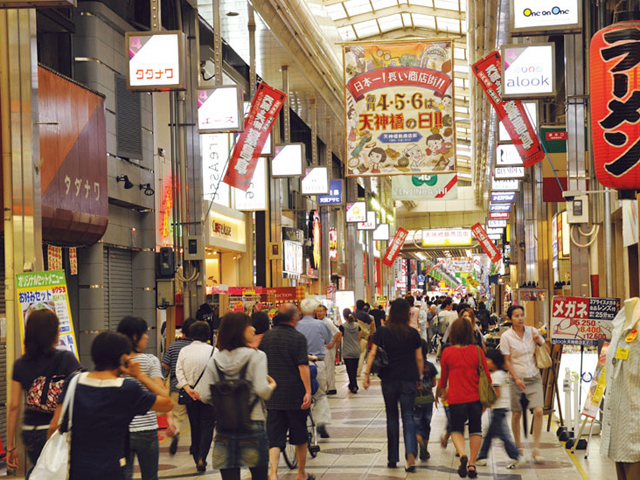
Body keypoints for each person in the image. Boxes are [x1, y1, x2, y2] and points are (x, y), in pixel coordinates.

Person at [49, 331, 173, 480]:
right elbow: (167, 403)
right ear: (123, 358)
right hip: (112, 470)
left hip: (78, 470)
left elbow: (54, 425)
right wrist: (140, 376)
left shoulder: (74, 382)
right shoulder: (127, 389)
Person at [197, 313, 276, 480]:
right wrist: (272, 386)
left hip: (225, 426)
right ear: (240, 330)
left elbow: (204, 396)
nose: (254, 328)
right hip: (253, 423)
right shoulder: (257, 356)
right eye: (249, 325)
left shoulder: (215, 360)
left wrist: (226, 402)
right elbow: (263, 390)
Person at [6, 310, 82, 477]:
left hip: (30, 432)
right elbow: (78, 393)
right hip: (56, 431)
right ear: (53, 332)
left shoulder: (20, 364)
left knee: (40, 469)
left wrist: (10, 446)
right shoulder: (66, 359)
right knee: (56, 472)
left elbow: (14, 407)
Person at [364, 298, 422, 472]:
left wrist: (366, 374)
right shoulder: (413, 333)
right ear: (406, 314)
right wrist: (419, 377)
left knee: (391, 417)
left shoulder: (382, 332)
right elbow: (419, 358)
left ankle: (392, 458)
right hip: (409, 378)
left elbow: (373, 353)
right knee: (408, 416)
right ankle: (410, 454)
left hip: (388, 379)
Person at [259, 306, 313, 480]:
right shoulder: (298, 338)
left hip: (272, 394)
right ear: (293, 319)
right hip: (294, 395)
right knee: (299, 435)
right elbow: (303, 366)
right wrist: (308, 391)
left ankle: (273, 474)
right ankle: (301, 473)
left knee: (274, 437)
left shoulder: (266, 337)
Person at [436, 318, 492, 479]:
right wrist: (486, 400)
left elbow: (443, 380)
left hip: (455, 399)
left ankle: (462, 454)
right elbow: (487, 377)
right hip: (475, 398)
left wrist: (439, 394)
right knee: (475, 430)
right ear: (469, 333)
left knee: (456, 430)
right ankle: (472, 464)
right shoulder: (477, 351)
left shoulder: (448, 352)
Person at [117, 316, 172, 480]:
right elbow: (160, 392)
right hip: (146, 428)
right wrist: (170, 418)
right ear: (135, 337)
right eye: (144, 333)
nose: (147, 336)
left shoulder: (116, 363)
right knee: (150, 476)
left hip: (121, 429)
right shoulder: (150, 361)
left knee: (123, 475)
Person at [500, 305, 548, 463]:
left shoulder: (532, 331)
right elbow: (507, 362)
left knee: (539, 411)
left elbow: (546, 349)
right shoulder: (506, 337)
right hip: (517, 378)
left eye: (522, 315)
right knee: (517, 413)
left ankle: (536, 448)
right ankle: (519, 446)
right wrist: (517, 378)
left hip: (534, 376)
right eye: (516, 316)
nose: (520, 318)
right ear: (510, 319)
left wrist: (539, 341)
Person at [176, 321, 216, 472]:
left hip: (190, 395)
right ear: (207, 334)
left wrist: (188, 388)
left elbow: (178, 371)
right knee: (207, 426)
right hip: (208, 396)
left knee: (195, 425)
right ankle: (202, 457)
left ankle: (196, 455)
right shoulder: (213, 351)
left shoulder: (184, 351)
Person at [475, 348, 525, 469]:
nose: (486, 362)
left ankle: (516, 456)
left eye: (488, 360)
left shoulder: (496, 376)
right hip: (501, 408)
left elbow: (496, 394)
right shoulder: (502, 374)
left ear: (495, 362)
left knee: (501, 435)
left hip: (499, 408)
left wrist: (486, 404)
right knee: (491, 433)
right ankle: (482, 457)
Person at [296, 298, 333, 438]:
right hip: (318, 363)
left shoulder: (296, 326)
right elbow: (328, 340)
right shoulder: (320, 325)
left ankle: (304, 425)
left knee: (302, 396)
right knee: (320, 395)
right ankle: (321, 422)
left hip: (300, 365)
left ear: (300, 311)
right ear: (314, 311)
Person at [161, 316, 197, 455]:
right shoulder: (198, 348)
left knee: (177, 416)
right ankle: (195, 446)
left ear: (183, 332)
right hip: (195, 388)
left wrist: (163, 381)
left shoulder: (173, 346)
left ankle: (175, 431)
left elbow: (165, 366)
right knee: (196, 420)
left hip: (177, 387)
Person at [414, 340, 438, 462]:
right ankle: (425, 449)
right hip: (428, 399)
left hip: (415, 399)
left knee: (416, 425)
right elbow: (434, 383)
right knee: (426, 424)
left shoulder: (411, 366)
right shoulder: (431, 366)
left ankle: (420, 445)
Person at [316, 304, 341, 395]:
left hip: (328, 348)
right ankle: (327, 387)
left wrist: (332, 343)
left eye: (321, 311)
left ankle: (331, 388)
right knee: (325, 368)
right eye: (317, 311)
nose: (319, 313)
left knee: (329, 368)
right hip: (323, 348)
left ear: (325, 312)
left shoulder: (327, 321)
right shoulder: (319, 321)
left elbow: (338, 333)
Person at [339, 308, 362, 394]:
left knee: (350, 370)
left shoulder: (342, 327)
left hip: (347, 351)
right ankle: (352, 384)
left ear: (344, 316)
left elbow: (339, 337)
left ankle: (354, 386)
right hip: (356, 350)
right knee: (354, 369)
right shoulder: (357, 326)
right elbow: (360, 334)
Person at [355, 299, 375, 377]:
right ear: (364, 306)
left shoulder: (353, 314)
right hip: (363, 336)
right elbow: (372, 323)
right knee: (362, 354)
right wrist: (370, 333)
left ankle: (354, 370)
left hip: (354, 337)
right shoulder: (365, 315)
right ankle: (358, 372)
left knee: (355, 355)